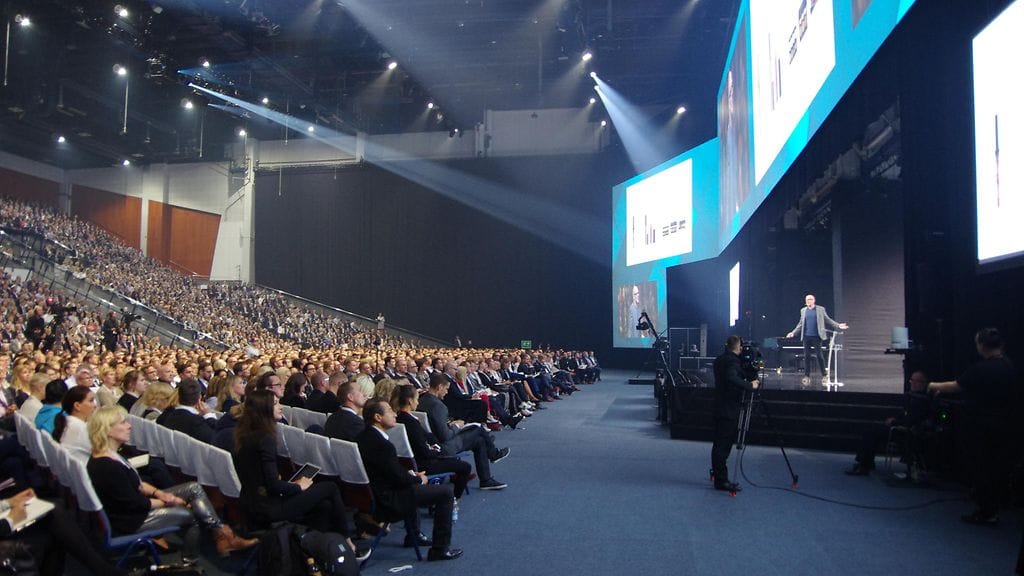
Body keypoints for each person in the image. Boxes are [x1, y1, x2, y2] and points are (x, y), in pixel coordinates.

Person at [86, 405, 258, 562]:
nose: (129, 426)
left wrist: (159, 493)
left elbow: (138, 483)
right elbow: (135, 503)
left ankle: (221, 534)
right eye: (123, 423)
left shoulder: (111, 454)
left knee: (193, 488)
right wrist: (169, 501)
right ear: (107, 430)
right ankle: (190, 558)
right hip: (131, 520)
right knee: (194, 514)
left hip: (132, 509)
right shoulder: (107, 466)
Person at [232, 391, 364, 556]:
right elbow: (272, 485)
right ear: (263, 409)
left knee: (324, 505)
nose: (280, 407)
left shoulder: (243, 434)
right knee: (330, 487)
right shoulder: (265, 438)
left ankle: (314, 551)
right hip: (268, 507)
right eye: (275, 403)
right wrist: (298, 487)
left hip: (251, 503)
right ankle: (347, 543)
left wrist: (291, 485)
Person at [928, 328, 1019, 525]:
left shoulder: (982, 368)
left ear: (982, 345)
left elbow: (956, 386)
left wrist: (933, 385)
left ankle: (985, 511)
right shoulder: (1009, 366)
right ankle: (992, 509)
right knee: (997, 469)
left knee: (981, 468)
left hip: (983, 427)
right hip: (1007, 426)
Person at [357, 399, 462, 561]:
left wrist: (411, 475)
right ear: (378, 417)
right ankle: (440, 549)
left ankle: (414, 535)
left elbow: (390, 471)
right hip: (390, 500)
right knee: (446, 492)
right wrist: (419, 480)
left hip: (378, 493)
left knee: (415, 480)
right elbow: (398, 478)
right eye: (390, 411)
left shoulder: (364, 436)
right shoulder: (382, 445)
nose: (394, 414)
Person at [418, 373, 509, 490]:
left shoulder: (422, 400)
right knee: (478, 429)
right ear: (439, 387)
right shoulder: (438, 406)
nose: (446, 392)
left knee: (479, 440)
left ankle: (486, 478)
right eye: (446, 389)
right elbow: (446, 435)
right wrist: (456, 426)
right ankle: (493, 455)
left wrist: (451, 425)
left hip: (433, 442)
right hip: (444, 447)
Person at [392, 385, 472, 498]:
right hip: (424, 464)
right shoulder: (411, 422)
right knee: (465, 467)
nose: (418, 402)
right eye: (416, 399)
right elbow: (423, 450)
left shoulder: (399, 418)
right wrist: (439, 453)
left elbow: (426, 437)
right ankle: (454, 498)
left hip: (413, 461)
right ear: (410, 401)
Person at [846, 371, 932, 476]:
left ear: (924, 383)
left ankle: (864, 465)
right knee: (870, 431)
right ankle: (865, 462)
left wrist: (894, 422)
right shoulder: (912, 397)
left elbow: (912, 420)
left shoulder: (923, 400)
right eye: (912, 380)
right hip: (900, 427)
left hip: (906, 431)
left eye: (917, 381)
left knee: (871, 434)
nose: (913, 383)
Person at [711, 335, 759, 493]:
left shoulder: (720, 360)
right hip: (728, 408)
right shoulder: (732, 362)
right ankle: (721, 480)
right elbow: (732, 378)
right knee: (723, 445)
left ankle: (717, 473)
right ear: (738, 347)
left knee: (719, 443)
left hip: (719, 405)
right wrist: (750, 385)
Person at [785, 294, 848, 386]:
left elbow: (828, 320)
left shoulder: (820, 309)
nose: (808, 301)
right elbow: (800, 324)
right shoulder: (803, 310)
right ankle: (807, 376)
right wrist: (793, 332)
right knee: (806, 356)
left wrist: (838, 325)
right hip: (806, 336)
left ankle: (824, 375)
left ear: (814, 300)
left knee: (819, 356)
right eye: (807, 299)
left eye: (810, 299)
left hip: (817, 336)